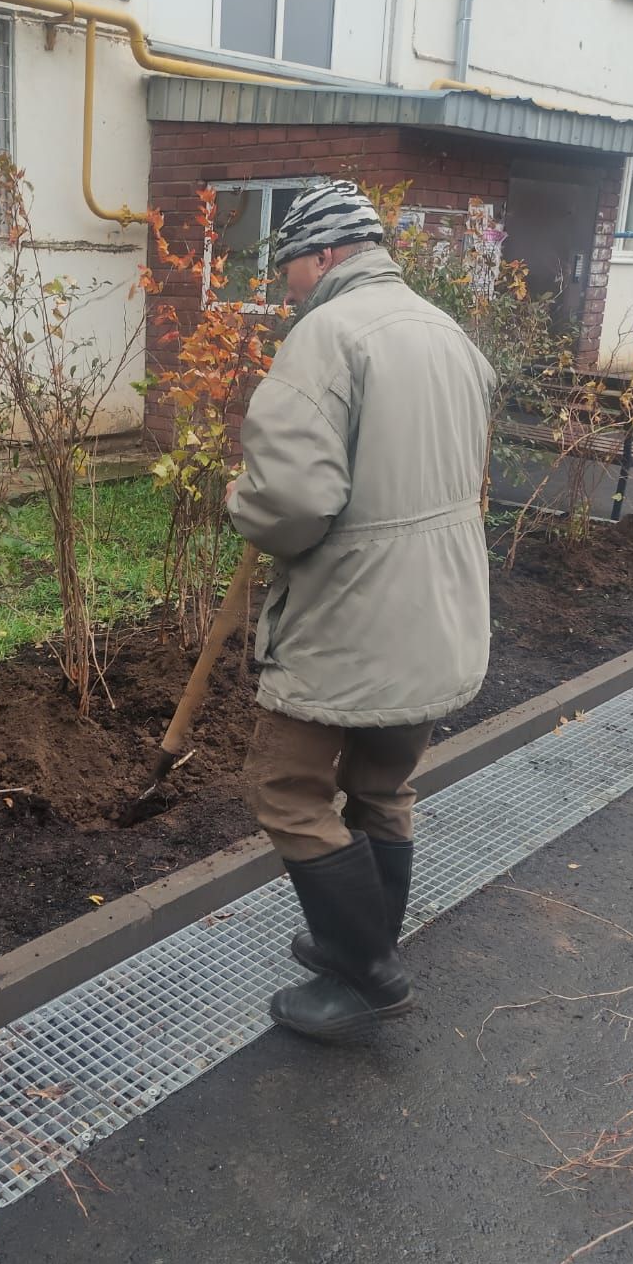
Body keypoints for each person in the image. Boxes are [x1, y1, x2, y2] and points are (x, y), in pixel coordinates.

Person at [227, 180, 496, 1042]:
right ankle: (362, 938)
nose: (287, 289)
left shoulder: (327, 339)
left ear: (326, 254)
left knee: (287, 788)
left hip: (352, 615)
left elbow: (292, 505)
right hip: (440, 609)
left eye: (290, 268)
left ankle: (367, 973)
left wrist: (243, 500)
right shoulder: (447, 334)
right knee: (381, 784)